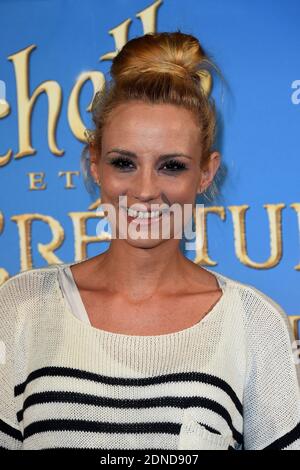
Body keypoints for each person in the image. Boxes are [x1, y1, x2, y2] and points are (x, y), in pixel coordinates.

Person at [0, 31, 299, 451]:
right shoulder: (20, 309)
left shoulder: (253, 324)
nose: (144, 190)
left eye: (171, 166)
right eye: (124, 162)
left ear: (206, 173)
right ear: (94, 166)